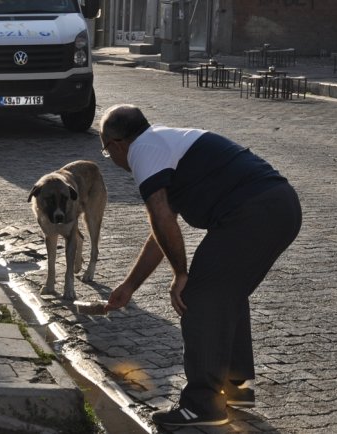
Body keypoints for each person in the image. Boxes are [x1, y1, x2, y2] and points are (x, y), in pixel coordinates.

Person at [100, 104, 302, 427]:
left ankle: (202, 405)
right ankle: (234, 389)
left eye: (106, 151)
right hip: (280, 206)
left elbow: (161, 216)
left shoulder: (142, 151)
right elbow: (160, 231)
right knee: (225, 292)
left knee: (198, 296)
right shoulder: (164, 143)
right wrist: (130, 285)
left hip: (254, 211)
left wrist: (181, 274)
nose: (110, 158)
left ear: (117, 144)